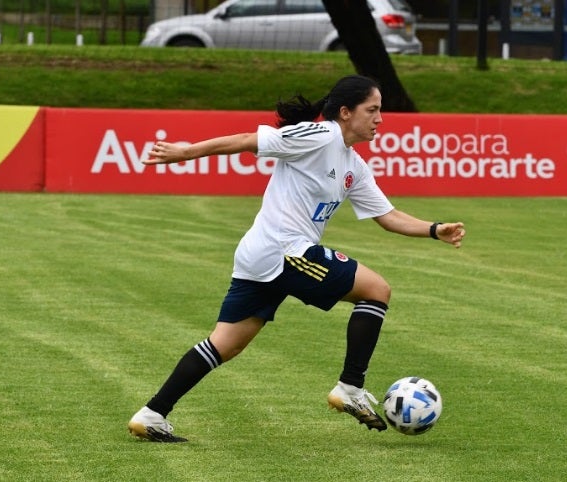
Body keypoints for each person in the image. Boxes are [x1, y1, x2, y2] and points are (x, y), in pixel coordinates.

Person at [128, 75, 466, 442]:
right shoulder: (320, 135)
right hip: (284, 249)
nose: (380, 119)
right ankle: (350, 387)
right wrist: (183, 153)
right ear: (345, 112)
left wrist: (435, 229)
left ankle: (151, 415)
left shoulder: (353, 165)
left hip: (263, 255)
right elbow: (246, 140)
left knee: (225, 344)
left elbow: (388, 216)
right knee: (376, 290)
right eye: (373, 109)